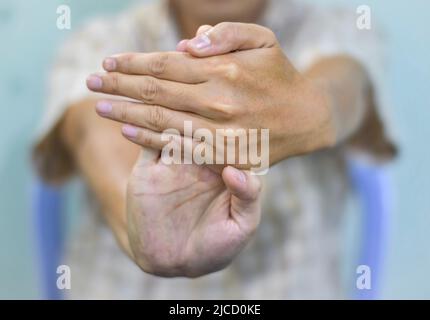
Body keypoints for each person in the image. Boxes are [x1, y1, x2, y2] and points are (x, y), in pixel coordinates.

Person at [33, 0, 396, 299]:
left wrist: (313, 110)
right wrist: (137, 219)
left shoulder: (333, 27)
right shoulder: (100, 40)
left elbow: (346, 84)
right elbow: (89, 126)